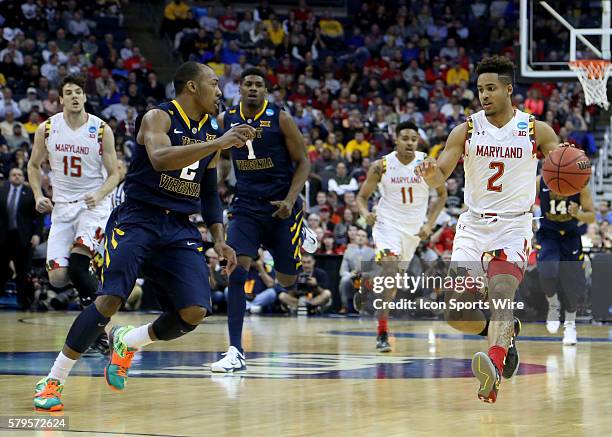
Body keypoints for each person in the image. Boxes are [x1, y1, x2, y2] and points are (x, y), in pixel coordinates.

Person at [33, 61, 256, 412]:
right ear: (192, 87)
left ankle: (129, 342)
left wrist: (219, 238)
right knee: (109, 299)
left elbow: (209, 191)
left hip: (179, 226)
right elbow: (160, 158)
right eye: (214, 83)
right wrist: (218, 142)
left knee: (195, 311)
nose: (220, 90)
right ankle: (53, 380)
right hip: (138, 218)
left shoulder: (212, 126)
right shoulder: (158, 116)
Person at [416, 56, 560, 403]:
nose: (484, 95)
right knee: (455, 312)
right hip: (474, 225)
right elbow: (444, 173)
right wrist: (432, 172)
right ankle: (503, 335)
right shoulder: (465, 129)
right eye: (480, 89)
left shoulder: (534, 130)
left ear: (509, 90)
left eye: (491, 88)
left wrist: (570, 166)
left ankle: (493, 369)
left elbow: (561, 169)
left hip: (514, 225)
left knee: (501, 291)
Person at [211, 67, 315, 373]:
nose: (253, 89)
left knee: (288, 280)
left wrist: (291, 200)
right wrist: (215, 180)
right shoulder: (226, 120)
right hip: (245, 207)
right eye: (248, 84)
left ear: (265, 91)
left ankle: (300, 231)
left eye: (259, 85)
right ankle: (235, 350)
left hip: (281, 206)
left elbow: (304, 162)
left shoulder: (280, 117)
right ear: (239, 89)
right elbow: (222, 157)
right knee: (236, 270)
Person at [28, 75, 119, 356]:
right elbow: (33, 166)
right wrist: (38, 196)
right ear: (60, 99)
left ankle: (100, 332)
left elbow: (116, 173)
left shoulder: (101, 129)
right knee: (57, 277)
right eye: (69, 93)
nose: (75, 97)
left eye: (79, 92)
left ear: (85, 96)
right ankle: (92, 286)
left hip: (92, 205)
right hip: (62, 206)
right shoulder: (47, 128)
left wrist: (101, 193)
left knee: (78, 266)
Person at [356, 121, 447, 352]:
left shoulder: (426, 165)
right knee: (390, 270)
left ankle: (367, 285)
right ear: (396, 139)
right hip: (387, 225)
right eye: (405, 137)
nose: (409, 142)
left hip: (413, 230)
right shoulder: (382, 166)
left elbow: (442, 195)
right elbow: (361, 197)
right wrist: (366, 213)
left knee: (393, 281)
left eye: (414, 139)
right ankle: (383, 331)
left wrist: (429, 223)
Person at [536, 174, 595, 345]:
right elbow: (525, 202)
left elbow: (591, 216)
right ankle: (553, 305)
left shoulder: (580, 185)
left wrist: (578, 214)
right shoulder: (541, 181)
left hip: (570, 237)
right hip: (549, 235)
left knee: (573, 285)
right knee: (547, 271)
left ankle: (570, 324)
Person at [0, 167, 42, 309]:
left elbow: (39, 216)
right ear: (9, 177)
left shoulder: (31, 193)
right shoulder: (2, 191)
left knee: (23, 270)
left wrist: (37, 234)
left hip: (23, 237)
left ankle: (23, 302)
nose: (17, 177)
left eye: (19, 174)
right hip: (4, 237)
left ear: (23, 178)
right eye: (14, 174)